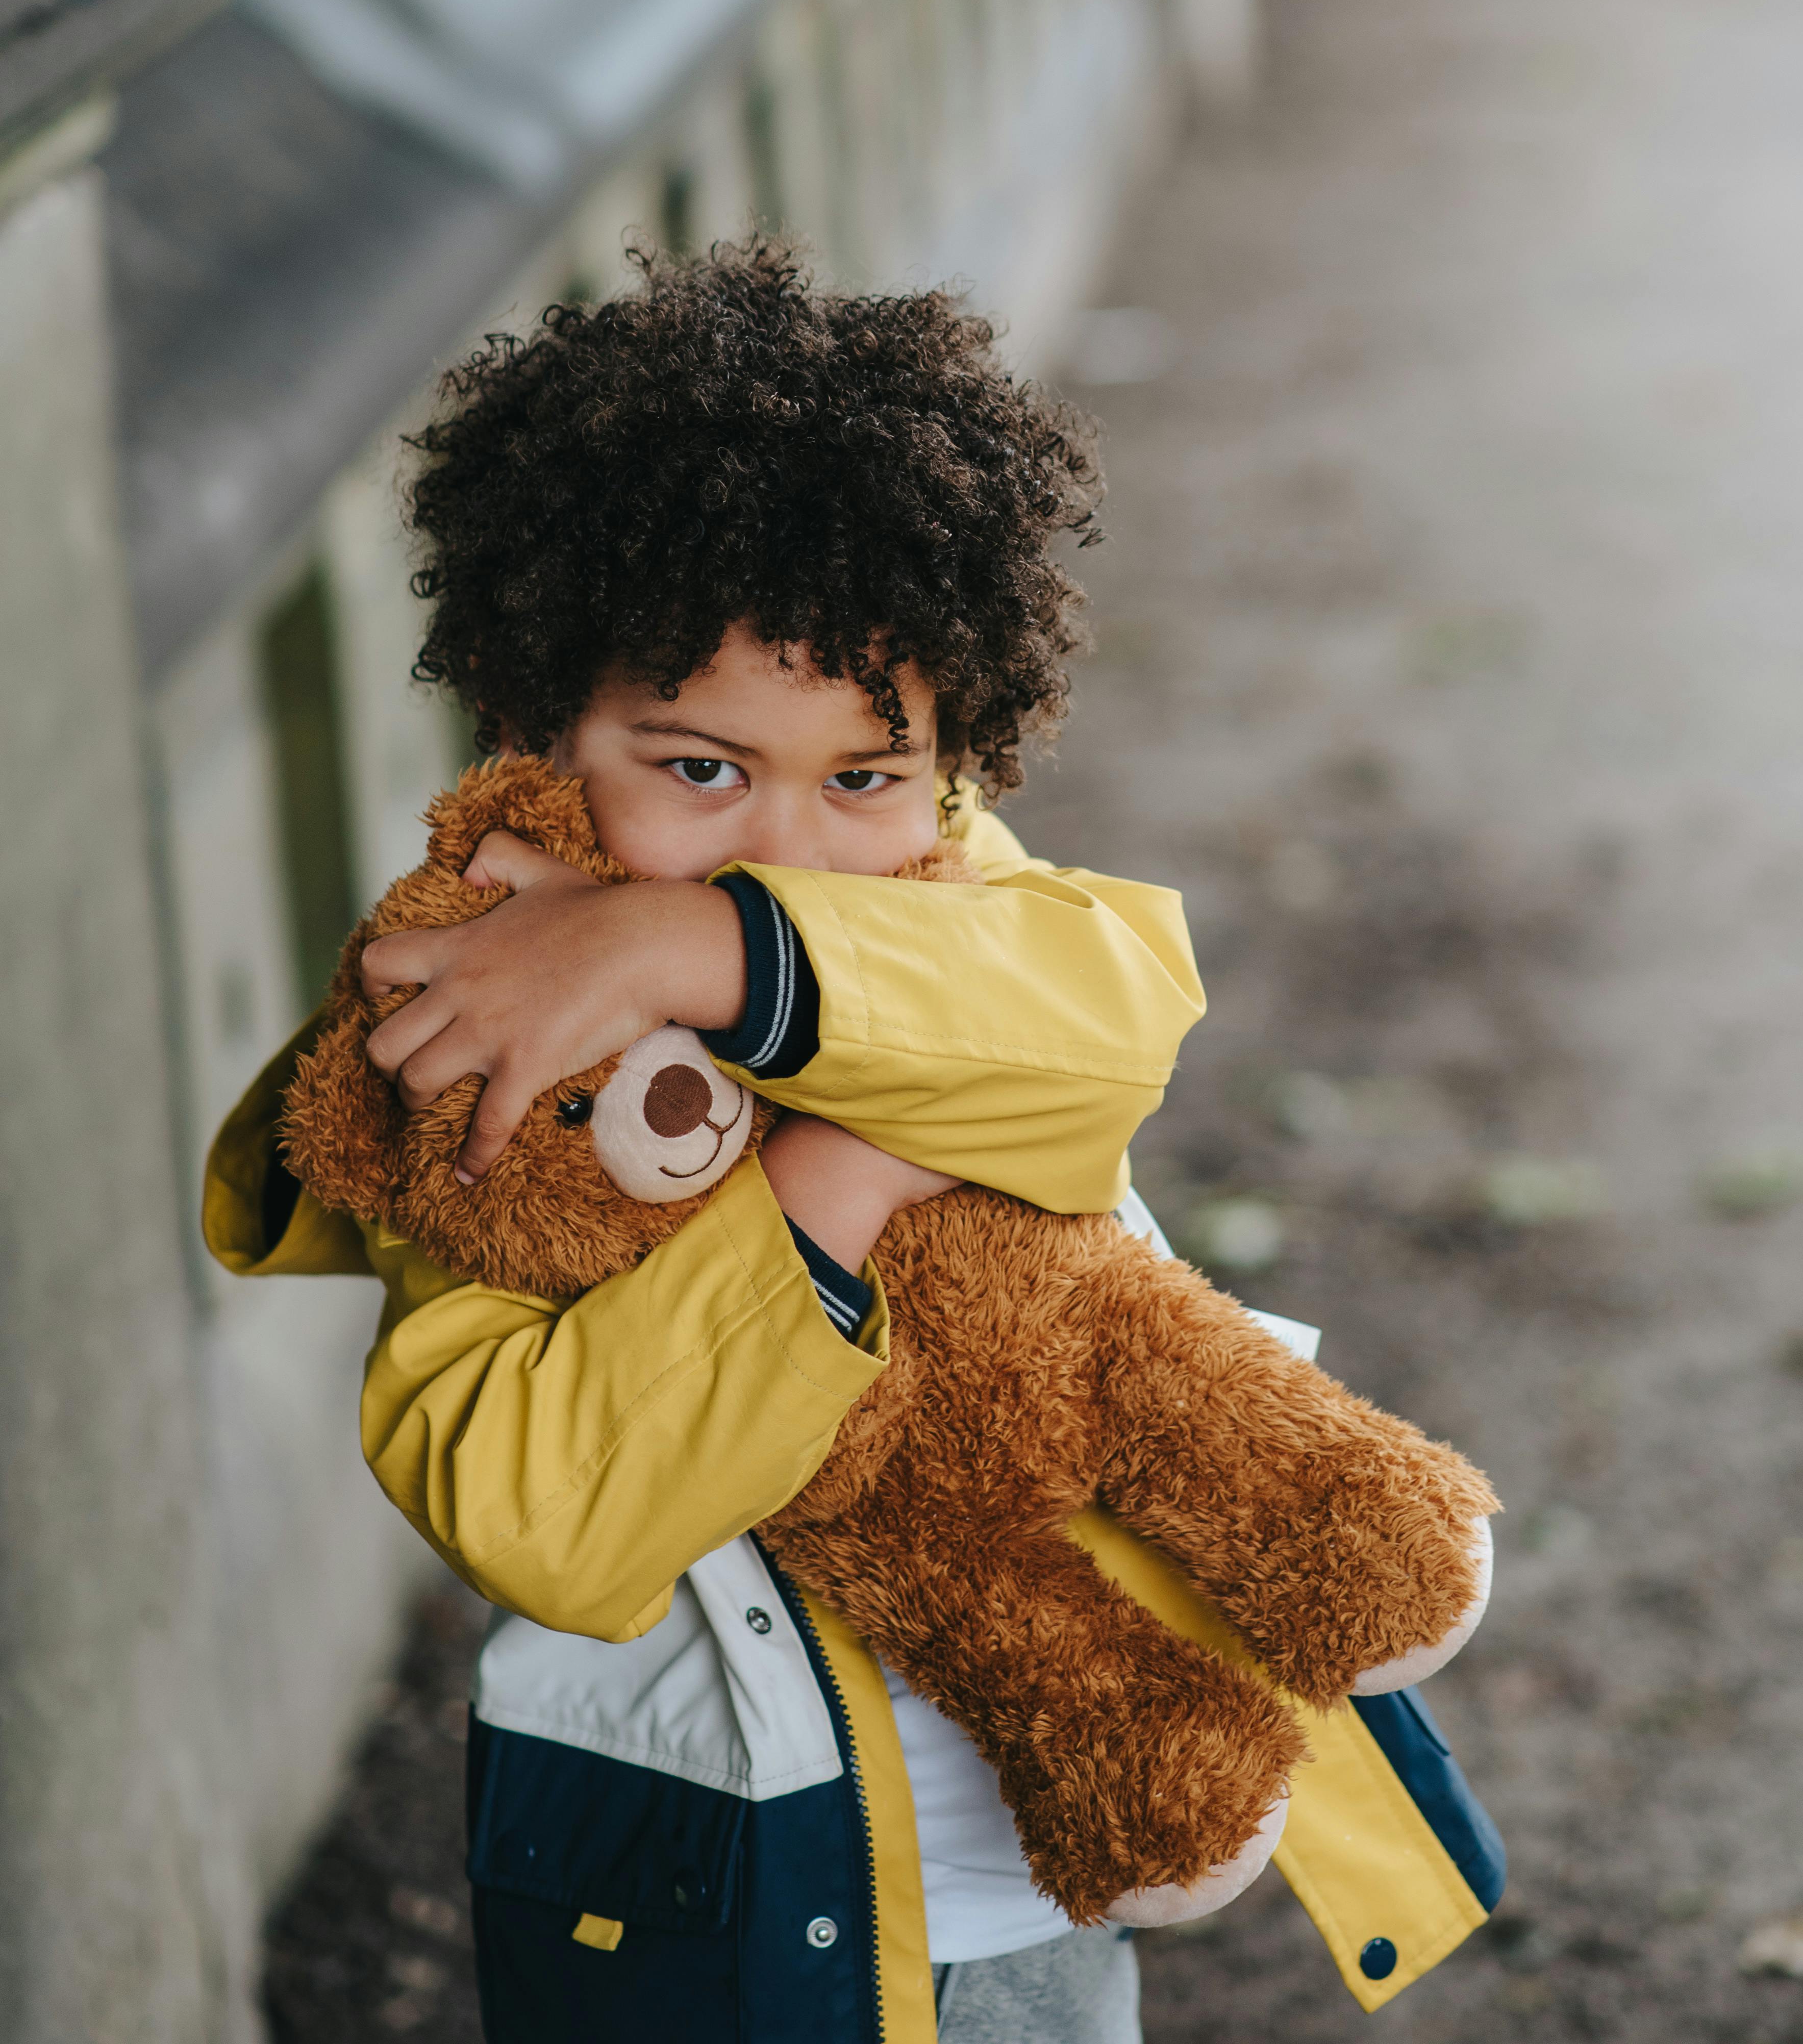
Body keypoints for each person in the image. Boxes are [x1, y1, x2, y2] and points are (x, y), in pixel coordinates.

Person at [204, 243, 1502, 2044]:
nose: (795, 857)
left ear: (953, 755)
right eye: (703, 772)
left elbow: (1109, 1026)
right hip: (711, 1895)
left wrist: (685, 937)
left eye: (865, 778)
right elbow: (545, 1517)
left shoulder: (973, 900)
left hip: (1028, 1889)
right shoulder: (488, 1049)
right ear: (535, 725)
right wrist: (841, 1176)